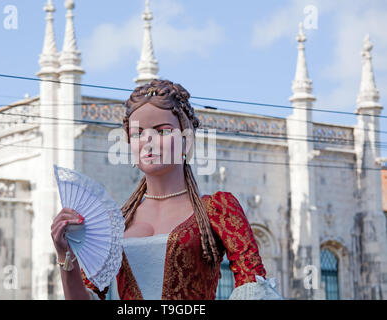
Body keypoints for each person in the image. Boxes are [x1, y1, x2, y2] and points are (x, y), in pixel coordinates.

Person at [51, 79, 283, 300]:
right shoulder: (116, 222)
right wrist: (65, 254)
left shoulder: (217, 208)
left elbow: (252, 282)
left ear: (187, 140)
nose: (147, 140)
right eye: (137, 133)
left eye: (161, 131)